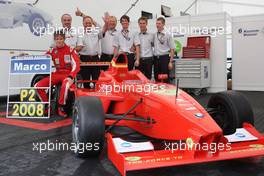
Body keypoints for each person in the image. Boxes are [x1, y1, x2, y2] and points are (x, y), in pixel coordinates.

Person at [35, 30, 80, 117]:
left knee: (65, 84)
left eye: (61, 39)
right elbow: (41, 59)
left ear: (64, 39)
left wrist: (71, 76)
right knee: (38, 85)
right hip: (57, 74)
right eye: (57, 39)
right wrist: (26, 55)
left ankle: (61, 107)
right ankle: (47, 106)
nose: (59, 40)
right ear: (54, 40)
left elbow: (76, 65)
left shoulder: (71, 50)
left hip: (68, 74)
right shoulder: (52, 50)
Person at [76, 16, 104, 88]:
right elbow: (78, 47)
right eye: (86, 23)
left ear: (92, 24)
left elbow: (103, 29)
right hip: (84, 58)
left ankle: (97, 97)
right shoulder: (80, 34)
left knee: (97, 80)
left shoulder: (96, 32)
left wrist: (106, 23)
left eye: (89, 23)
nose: (88, 24)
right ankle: (86, 97)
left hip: (95, 58)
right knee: (85, 80)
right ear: (83, 23)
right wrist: (78, 49)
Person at [153, 17, 175, 83]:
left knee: (165, 78)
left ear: (163, 24)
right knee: (156, 77)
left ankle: (165, 92)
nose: (157, 25)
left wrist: (170, 62)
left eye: (159, 23)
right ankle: (157, 92)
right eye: (156, 23)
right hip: (156, 58)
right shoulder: (155, 35)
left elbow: (172, 49)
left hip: (164, 58)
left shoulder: (168, 34)